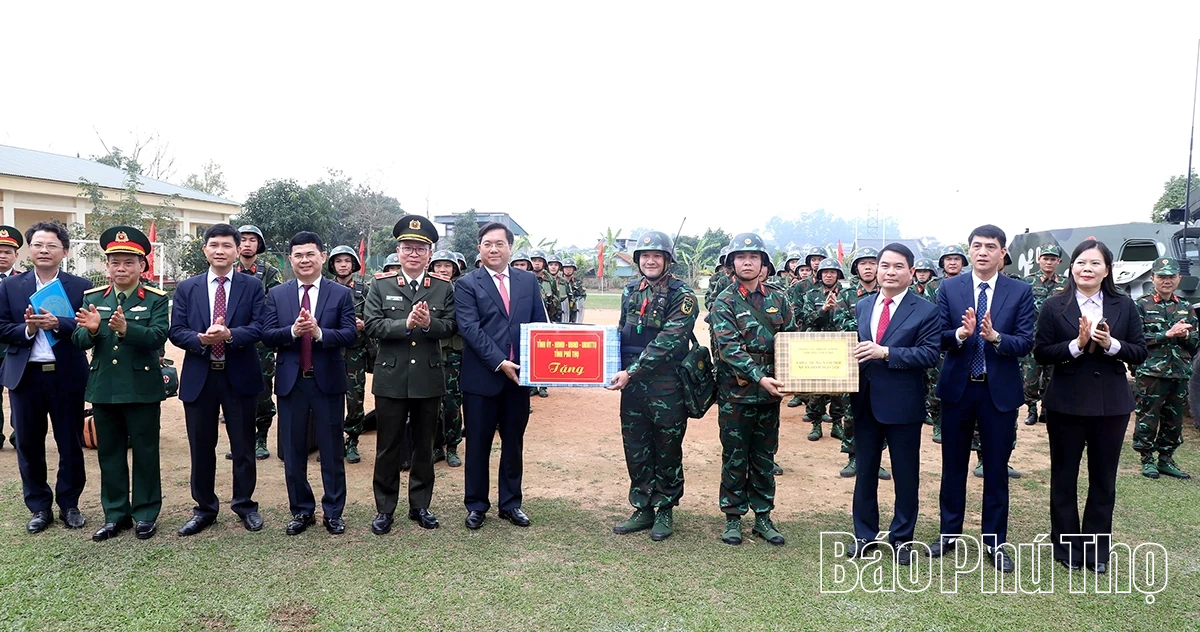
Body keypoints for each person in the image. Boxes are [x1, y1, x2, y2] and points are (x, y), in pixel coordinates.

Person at [1034, 239, 1147, 573]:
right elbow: (1042, 353)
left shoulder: (1124, 305)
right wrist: (1076, 344)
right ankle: (1066, 546)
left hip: (1111, 405)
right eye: (1081, 262)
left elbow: (1139, 351)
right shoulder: (1054, 306)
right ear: (1072, 268)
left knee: (1103, 479)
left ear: (1107, 270)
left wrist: (1111, 344)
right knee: (1064, 477)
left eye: (1095, 263)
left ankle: (1096, 549)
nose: (1087, 269)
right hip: (1066, 404)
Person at [928, 225, 1034, 572]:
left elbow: (1025, 342)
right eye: (977, 246)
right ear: (969, 251)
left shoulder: (1019, 291)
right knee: (953, 465)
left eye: (991, 246)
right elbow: (938, 336)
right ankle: (948, 533)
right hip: (958, 390)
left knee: (996, 468)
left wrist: (996, 337)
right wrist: (961, 334)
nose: (983, 252)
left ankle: (995, 541)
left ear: (1003, 253)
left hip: (997, 392)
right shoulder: (949, 288)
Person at [169, 223, 267, 536]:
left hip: (239, 375)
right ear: (205, 250)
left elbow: (260, 327)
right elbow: (176, 330)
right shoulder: (188, 287)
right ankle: (204, 509)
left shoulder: (252, 286)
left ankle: (245, 505)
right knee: (201, 447)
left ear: (237, 251)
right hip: (201, 376)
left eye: (227, 245)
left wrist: (230, 334)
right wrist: (200, 339)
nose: (220, 251)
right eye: (214, 245)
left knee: (243, 446)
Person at [72, 226, 169, 541]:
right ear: (107, 266)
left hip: (142, 387)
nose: (121, 268)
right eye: (115, 262)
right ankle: (115, 515)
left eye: (129, 262)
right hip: (106, 387)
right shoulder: (92, 298)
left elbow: (158, 337)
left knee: (145, 453)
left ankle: (145, 514)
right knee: (110, 453)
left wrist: (128, 330)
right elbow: (78, 340)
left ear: (142, 266)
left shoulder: (155, 299)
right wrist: (92, 330)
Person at [847, 244, 940, 563]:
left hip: (903, 404)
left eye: (898, 266)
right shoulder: (863, 305)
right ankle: (864, 535)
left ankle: (902, 538)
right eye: (884, 265)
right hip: (865, 402)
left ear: (911, 272)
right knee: (865, 471)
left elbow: (930, 354)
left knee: (905, 474)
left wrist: (886, 352)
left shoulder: (926, 310)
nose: (889, 271)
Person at [364, 216, 456, 535]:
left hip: (427, 379)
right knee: (387, 446)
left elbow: (451, 326)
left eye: (420, 249)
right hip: (391, 378)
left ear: (429, 254)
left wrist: (430, 324)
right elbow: (372, 325)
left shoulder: (442, 288)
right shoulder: (381, 284)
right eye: (407, 248)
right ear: (398, 251)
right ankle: (385, 508)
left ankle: (420, 506)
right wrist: (405, 324)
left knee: (424, 445)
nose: (413, 254)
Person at [262, 232, 358, 535]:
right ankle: (301, 511)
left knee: (332, 450)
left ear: (322, 257)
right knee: (293, 452)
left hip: (327, 381)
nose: (305, 260)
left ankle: (333, 512)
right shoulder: (277, 294)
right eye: (299, 255)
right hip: (292, 383)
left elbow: (350, 334)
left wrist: (319, 333)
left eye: (310, 254)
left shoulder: (339, 294)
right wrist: (292, 331)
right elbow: (267, 335)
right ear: (290, 259)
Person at [455, 221, 548, 530]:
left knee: (513, 444)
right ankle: (476, 505)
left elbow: (539, 324)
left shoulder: (528, 281)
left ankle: (511, 504)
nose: (493, 249)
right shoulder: (467, 284)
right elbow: (470, 329)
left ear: (510, 247)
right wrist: (499, 361)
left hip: (519, 379)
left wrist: (541, 364)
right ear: (479, 248)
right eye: (487, 244)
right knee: (477, 445)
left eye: (499, 244)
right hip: (482, 379)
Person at [0, 221, 91, 533]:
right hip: (25, 376)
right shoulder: (11, 286)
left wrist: (58, 324)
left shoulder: (80, 286)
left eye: (52, 245)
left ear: (64, 251)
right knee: (28, 443)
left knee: (70, 442)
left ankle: (69, 504)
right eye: (38, 245)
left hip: (66, 376)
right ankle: (39, 506)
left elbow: (87, 328)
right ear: (29, 250)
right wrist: (28, 328)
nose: (44, 250)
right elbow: (2, 327)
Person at [607, 231, 697, 542]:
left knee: (667, 448)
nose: (650, 260)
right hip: (632, 387)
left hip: (667, 385)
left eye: (657, 255)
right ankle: (643, 507)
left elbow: (670, 340)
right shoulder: (630, 290)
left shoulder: (683, 295)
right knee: (636, 448)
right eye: (645, 255)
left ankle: (665, 509)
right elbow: (621, 331)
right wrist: (604, 364)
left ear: (667, 260)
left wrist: (631, 371)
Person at [709, 233, 795, 546]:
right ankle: (733, 517)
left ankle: (763, 516)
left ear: (763, 263)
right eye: (741, 257)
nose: (747, 262)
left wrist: (797, 377)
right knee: (735, 456)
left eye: (754, 257)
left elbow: (792, 340)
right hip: (736, 392)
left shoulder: (778, 298)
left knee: (764, 456)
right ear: (732, 263)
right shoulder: (724, 301)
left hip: (771, 393)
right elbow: (729, 348)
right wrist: (760, 377)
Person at [1132, 257, 1196, 480]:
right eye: (1161, 276)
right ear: (1152, 278)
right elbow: (1135, 339)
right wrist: (1165, 334)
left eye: (1171, 276)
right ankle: (1147, 459)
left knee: (1174, 420)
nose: (1166, 281)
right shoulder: (1141, 305)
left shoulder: (1186, 307)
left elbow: (1196, 342)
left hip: (1179, 372)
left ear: (1179, 278)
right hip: (1152, 372)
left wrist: (1186, 335)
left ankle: (1166, 459)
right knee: (1148, 416)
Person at [234, 225, 282, 461]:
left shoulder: (270, 272)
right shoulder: (228, 270)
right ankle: (241, 441)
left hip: (261, 342)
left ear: (259, 245)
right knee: (234, 391)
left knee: (263, 390)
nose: (247, 244)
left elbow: (276, 304)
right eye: (243, 239)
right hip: (233, 340)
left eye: (252, 240)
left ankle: (261, 437)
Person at [328, 245, 369, 464]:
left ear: (354, 264)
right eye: (338, 261)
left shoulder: (365, 290)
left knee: (355, 399)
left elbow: (376, 316)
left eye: (347, 261)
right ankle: (332, 441)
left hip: (355, 352)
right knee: (330, 398)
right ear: (332, 265)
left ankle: (352, 440)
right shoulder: (325, 288)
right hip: (330, 351)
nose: (343, 265)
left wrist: (364, 324)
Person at [1022, 245, 1067, 425]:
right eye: (1045, 258)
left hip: (1055, 339)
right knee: (1030, 378)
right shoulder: (1027, 282)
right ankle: (1031, 409)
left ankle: (1046, 411)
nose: (1049, 262)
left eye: (1053, 259)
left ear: (1058, 261)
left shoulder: (1066, 283)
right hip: (1033, 338)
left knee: (1052, 376)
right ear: (1039, 260)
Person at [429, 249, 465, 466]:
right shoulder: (426, 290)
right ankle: (435, 446)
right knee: (430, 402)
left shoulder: (462, 291)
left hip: (453, 353)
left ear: (454, 269)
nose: (442, 269)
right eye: (438, 265)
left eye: (447, 266)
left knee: (452, 401)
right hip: (430, 353)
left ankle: (452, 446)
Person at [0, 225, 23, 449]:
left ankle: (20, 436)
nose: (2, 255)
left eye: (7, 252)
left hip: (16, 346)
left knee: (19, 394)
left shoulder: (23, 282)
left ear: (16, 256)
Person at [561, 257, 586, 323]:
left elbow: (582, 296)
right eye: (566, 268)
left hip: (574, 310)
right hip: (561, 311)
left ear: (574, 269)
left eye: (570, 268)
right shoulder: (558, 282)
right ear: (562, 269)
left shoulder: (578, 282)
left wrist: (574, 300)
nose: (568, 270)